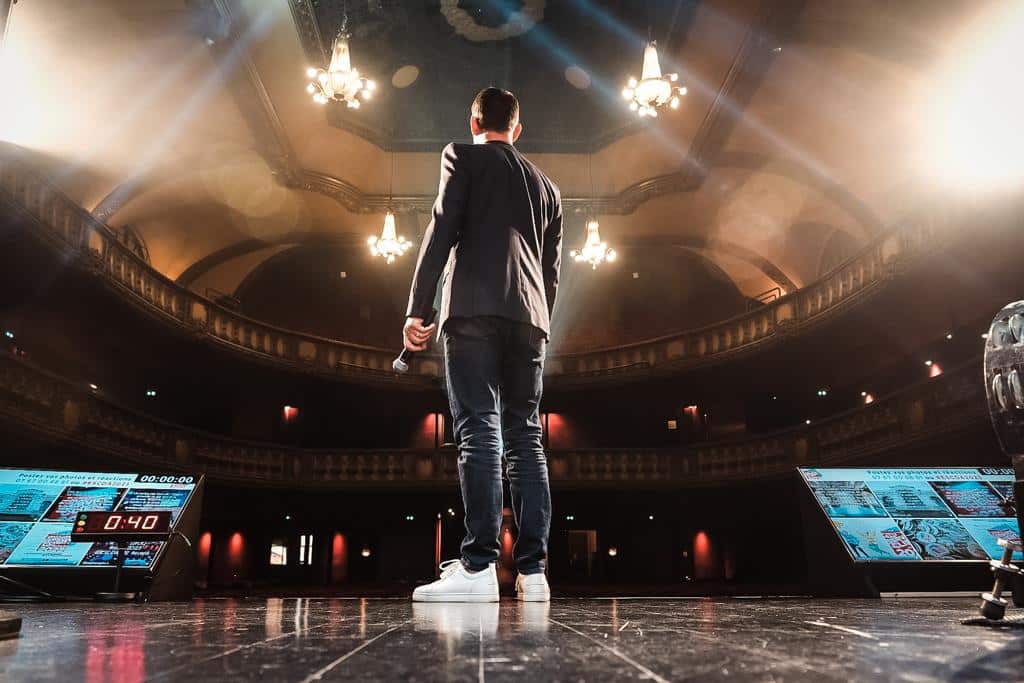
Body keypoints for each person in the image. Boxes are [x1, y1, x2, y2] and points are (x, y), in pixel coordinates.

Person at [403, 87, 562, 603]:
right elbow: (551, 273)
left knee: (478, 431)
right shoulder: (548, 188)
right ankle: (534, 574)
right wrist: (538, 320)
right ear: (517, 129)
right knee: (526, 438)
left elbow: (442, 229)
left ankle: (477, 569)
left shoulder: (461, 155)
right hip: (531, 320)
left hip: (472, 309)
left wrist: (418, 308)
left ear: (474, 122)